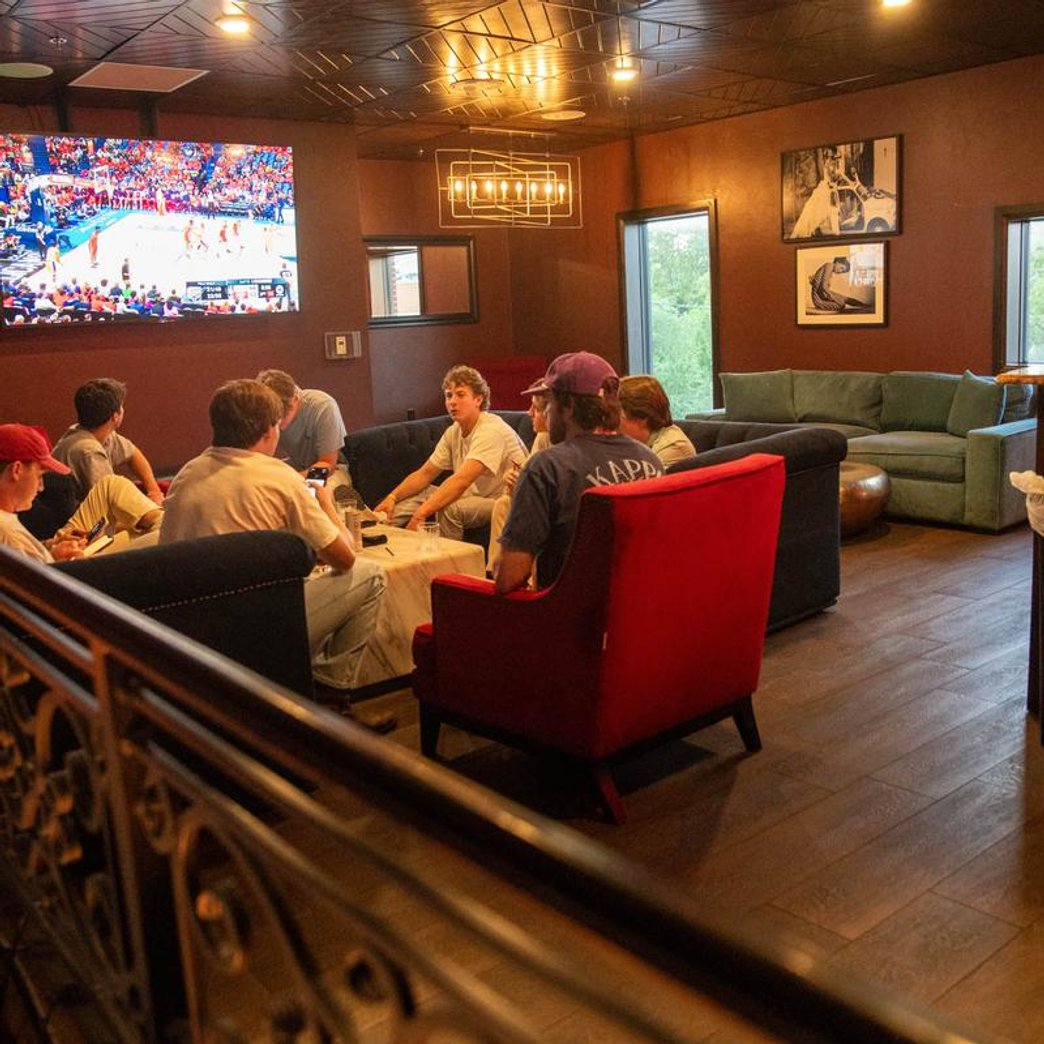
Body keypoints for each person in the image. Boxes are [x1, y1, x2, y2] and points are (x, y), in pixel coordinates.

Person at [159, 380, 392, 731]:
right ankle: (332, 701)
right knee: (370, 575)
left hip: (186, 631)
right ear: (270, 430)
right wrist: (323, 501)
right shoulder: (278, 476)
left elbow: (327, 463)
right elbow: (345, 557)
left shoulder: (185, 474)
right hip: (253, 632)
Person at [496, 352, 664, 594]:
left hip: (567, 621)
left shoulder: (546, 467)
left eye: (550, 403)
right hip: (640, 612)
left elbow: (509, 577)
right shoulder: (651, 461)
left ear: (569, 407)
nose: (546, 414)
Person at [374, 365, 527, 540]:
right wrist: (392, 497)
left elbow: (461, 480)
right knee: (420, 493)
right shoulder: (454, 431)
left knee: (448, 510)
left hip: (504, 501)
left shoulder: (491, 430)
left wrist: (420, 515)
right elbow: (425, 474)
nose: (452, 401)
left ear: (478, 399)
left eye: (460, 395)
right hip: (474, 496)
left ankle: (449, 563)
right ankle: (377, 534)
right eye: (449, 395)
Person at [0, 424, 162, 563]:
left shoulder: (8, 529)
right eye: (40, 476)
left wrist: (52, 546)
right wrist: (67, 561)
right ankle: (164, 523)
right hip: (78, 575)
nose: (41, 487)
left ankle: (161, 522)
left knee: (111, 485)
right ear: (16, 470)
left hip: (59, 557)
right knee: (159, 538)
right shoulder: (9, 534)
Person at [53, 378, 165, 504]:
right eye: (121, 406)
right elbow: (109, 504)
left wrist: (154, 491)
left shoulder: (98, 433)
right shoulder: (89, 451)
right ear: (115, 416)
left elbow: (133, 454)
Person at [486, 389, 551, 575]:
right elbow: (524, 486)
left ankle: (523, 579)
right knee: (503, 504)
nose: (529, 413)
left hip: (549, 506)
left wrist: (523, 487)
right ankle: (494, 575)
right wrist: (513, 482)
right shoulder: (543, 437)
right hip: (536, 501)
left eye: (535, 408)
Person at [618, 375, 696, 467]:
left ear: (643, 416)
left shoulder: (673, 448)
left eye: (619, 418)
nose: (613, 424)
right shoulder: (639, 443)